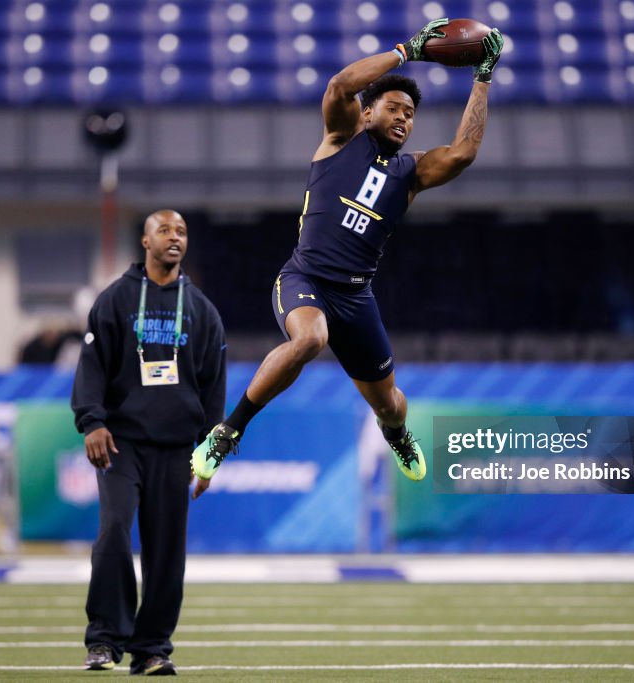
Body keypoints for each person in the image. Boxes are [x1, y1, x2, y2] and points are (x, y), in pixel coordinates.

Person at [191, 20, 503, 488]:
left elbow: (462, 154)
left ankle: (394, 433)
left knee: (391, 404)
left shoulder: (411, 171)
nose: (403, 118)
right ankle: (228, 431)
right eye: (393, 108)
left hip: (356, 298)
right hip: (305, 279)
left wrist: (483, 77)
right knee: (310, 340)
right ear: (367, 112)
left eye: (411, 114)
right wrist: (407, 50)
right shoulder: (342, 138)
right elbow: (340, 84)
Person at [72, 209, 226, 675]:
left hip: (177, 448)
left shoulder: (201, 310)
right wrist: (92, 423)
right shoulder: (116, 299)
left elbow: (212, 386)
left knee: (166, 551)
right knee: (114, 533)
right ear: (145, 241)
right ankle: (103, 640)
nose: (174, 238)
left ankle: (152, 648)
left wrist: (208, 454)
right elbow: (92, 367)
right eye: (165, 230)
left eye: (181, 231)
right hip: (121, 444)